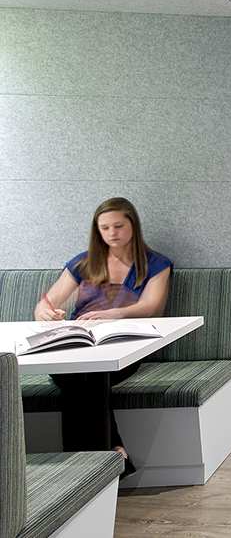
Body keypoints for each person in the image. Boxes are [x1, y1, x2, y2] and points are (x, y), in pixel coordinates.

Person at [34, 197, 172, 478]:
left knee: (89, 375)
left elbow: (153, 307)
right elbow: (47, 303)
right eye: (105, 228)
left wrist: (114, 314)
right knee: (82, 373)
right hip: (76, 345)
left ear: (133, 225)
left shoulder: (156, 263)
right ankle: (113, 453)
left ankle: (77, 465)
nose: (112, 233)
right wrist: (44, 312)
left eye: (119, 225)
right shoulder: (83, 263)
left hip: (123, 347)